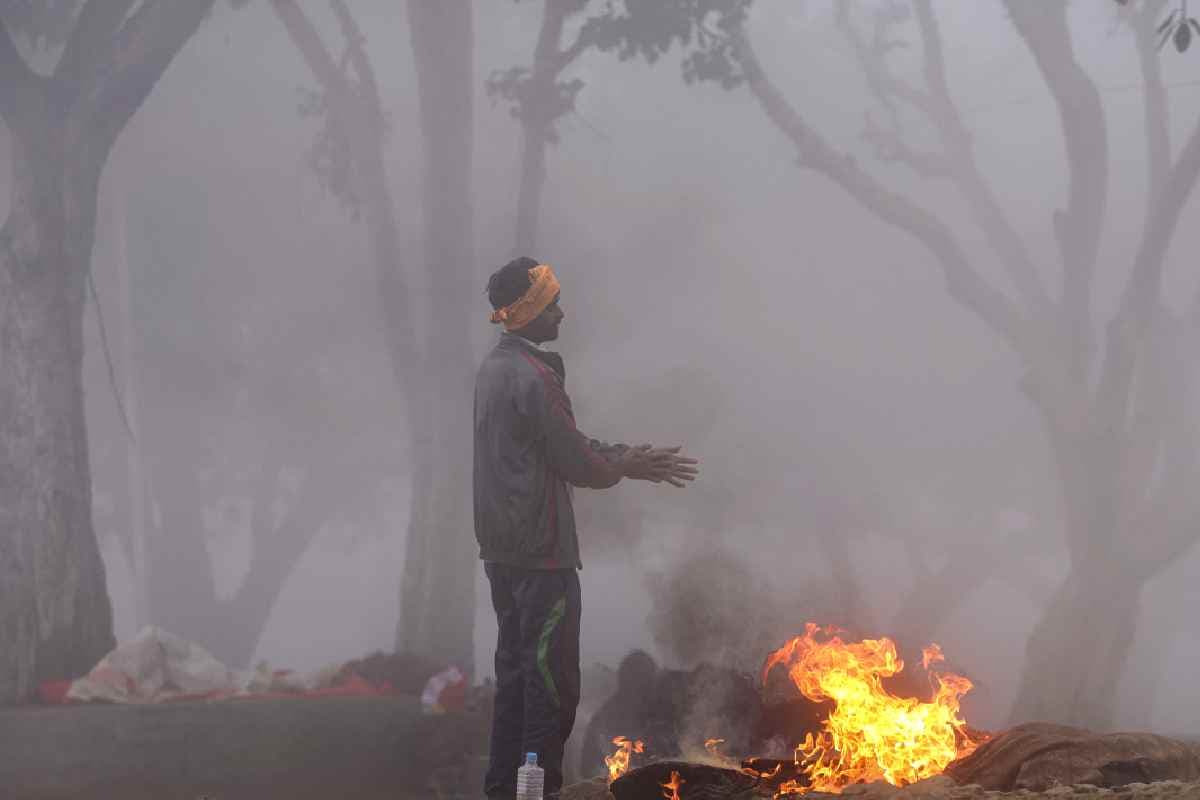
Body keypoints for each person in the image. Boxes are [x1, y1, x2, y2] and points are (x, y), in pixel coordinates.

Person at [475, 257, 699, 799]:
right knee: (549, 686)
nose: (561, 313)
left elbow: (555, 448)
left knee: (515, 677)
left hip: (502, 551)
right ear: (529, 313)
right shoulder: (534, 375)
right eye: (551, 303)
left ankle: (505, 791)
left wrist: (620, 456)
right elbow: (575, 461)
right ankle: (538, 793)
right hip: (542, 554)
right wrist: (627, 463)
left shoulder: (494, 368)